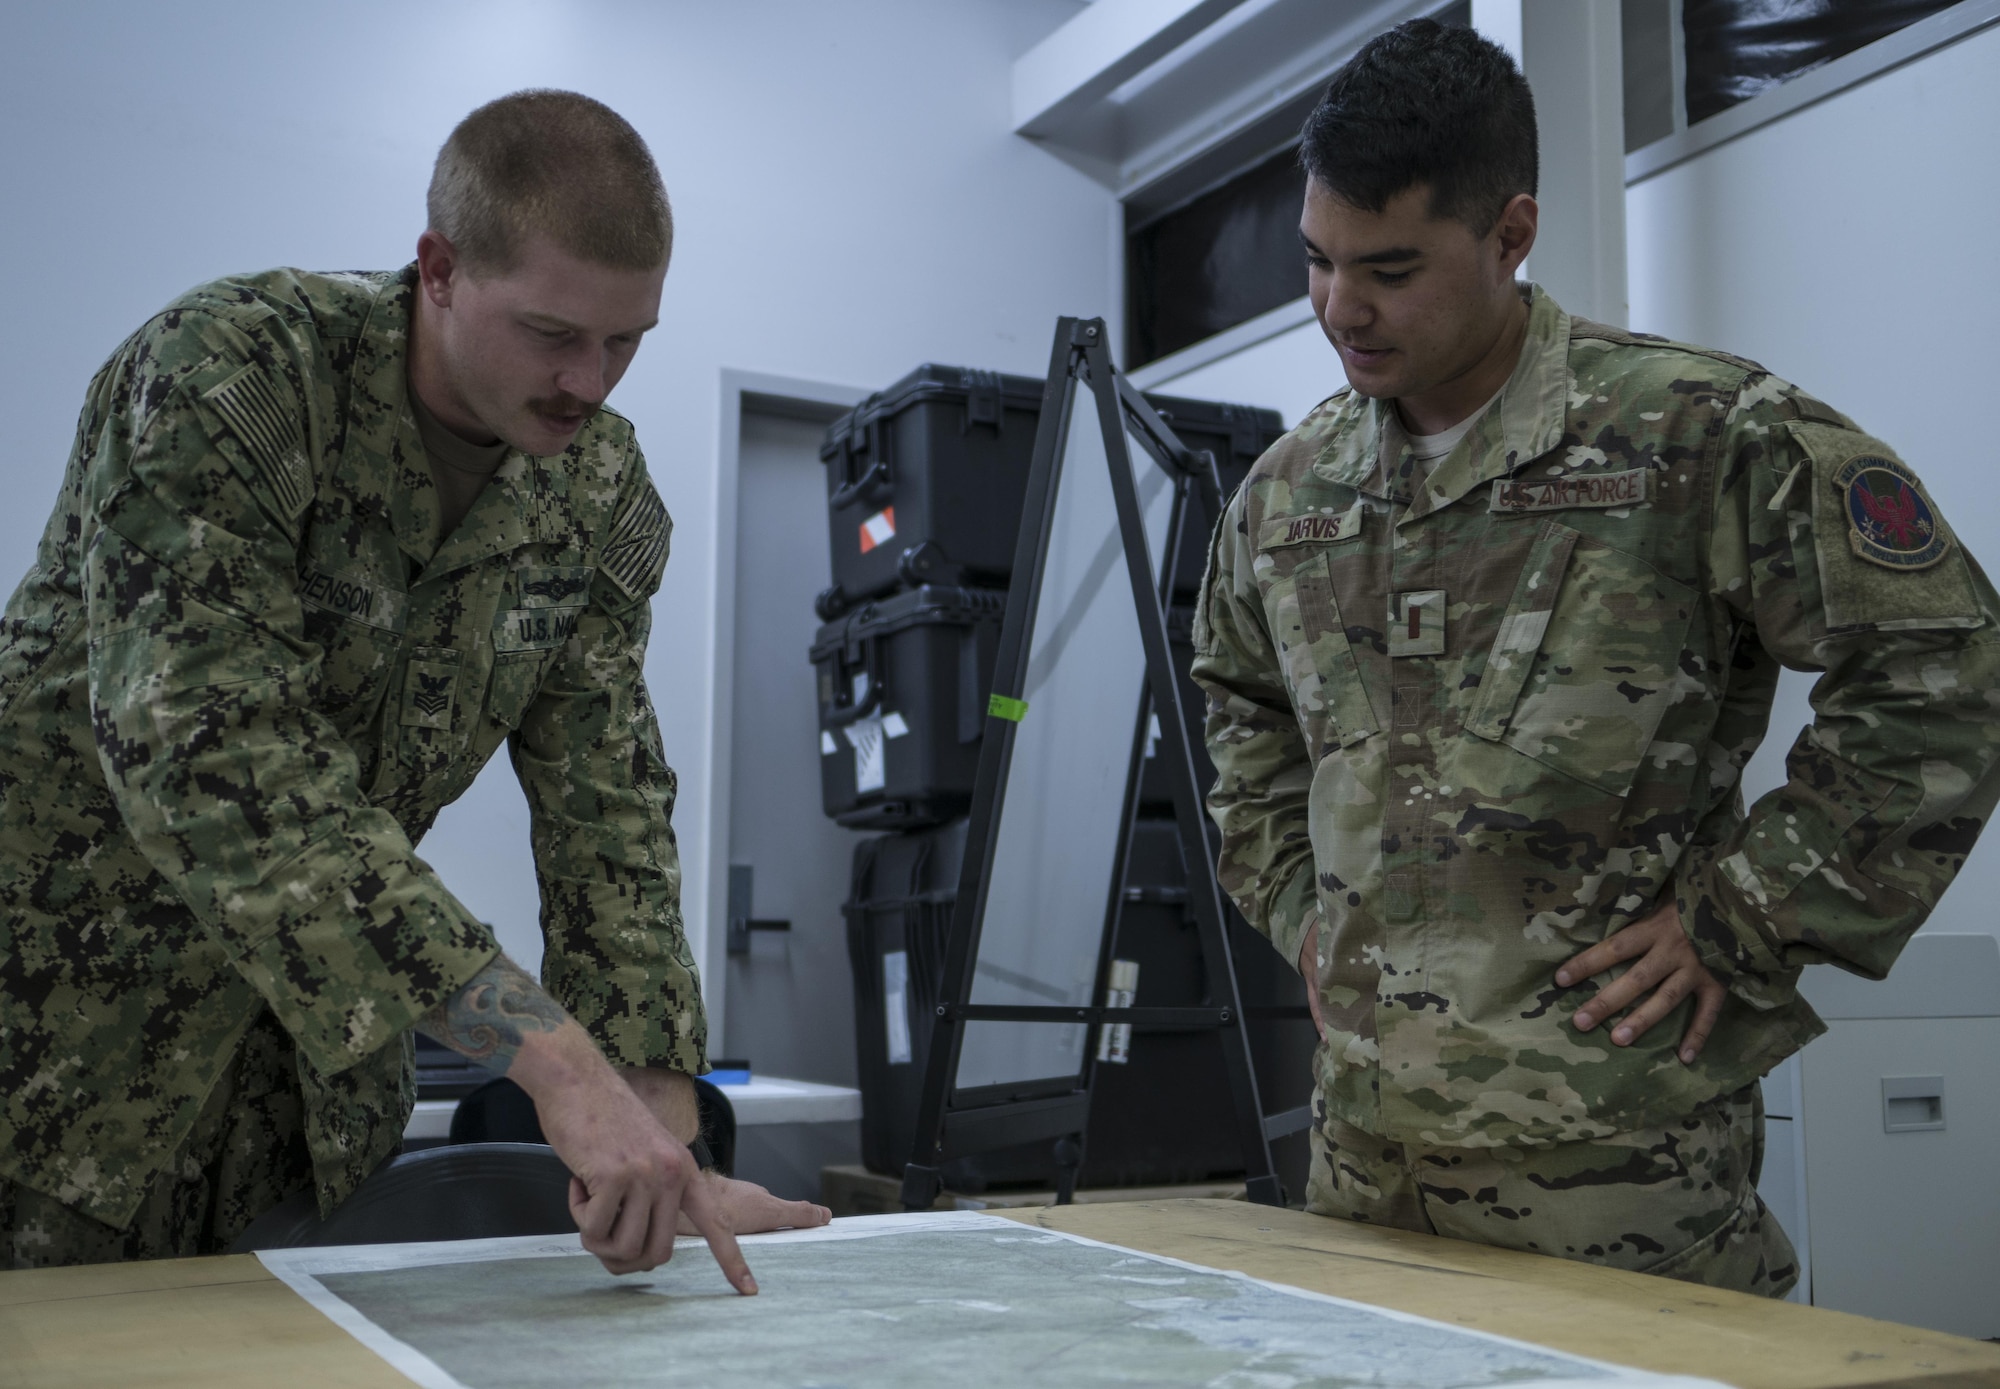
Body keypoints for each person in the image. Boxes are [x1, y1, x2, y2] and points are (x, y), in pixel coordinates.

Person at [1190, 20, 2000, 1296]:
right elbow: (1238, 714)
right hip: (1360, 1160)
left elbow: (1946, 673)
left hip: (1617, 1165)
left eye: (1389, 268)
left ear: (1508, 236)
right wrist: (1303, 911)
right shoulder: (1289, 494)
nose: (1340, 308)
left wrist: (1746, 915)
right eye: (1317, 262)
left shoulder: (1694, 436)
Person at [0, 89, 827, 1282]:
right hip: (53, 1053)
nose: (589, 382)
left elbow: (612, 823)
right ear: (437, 269)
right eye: (552, 333)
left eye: (627, 340)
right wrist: (554, 1062)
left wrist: (656, 1133)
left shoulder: (595, 491)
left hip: (284, 1108)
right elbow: (214, 763)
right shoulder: (238, 377)